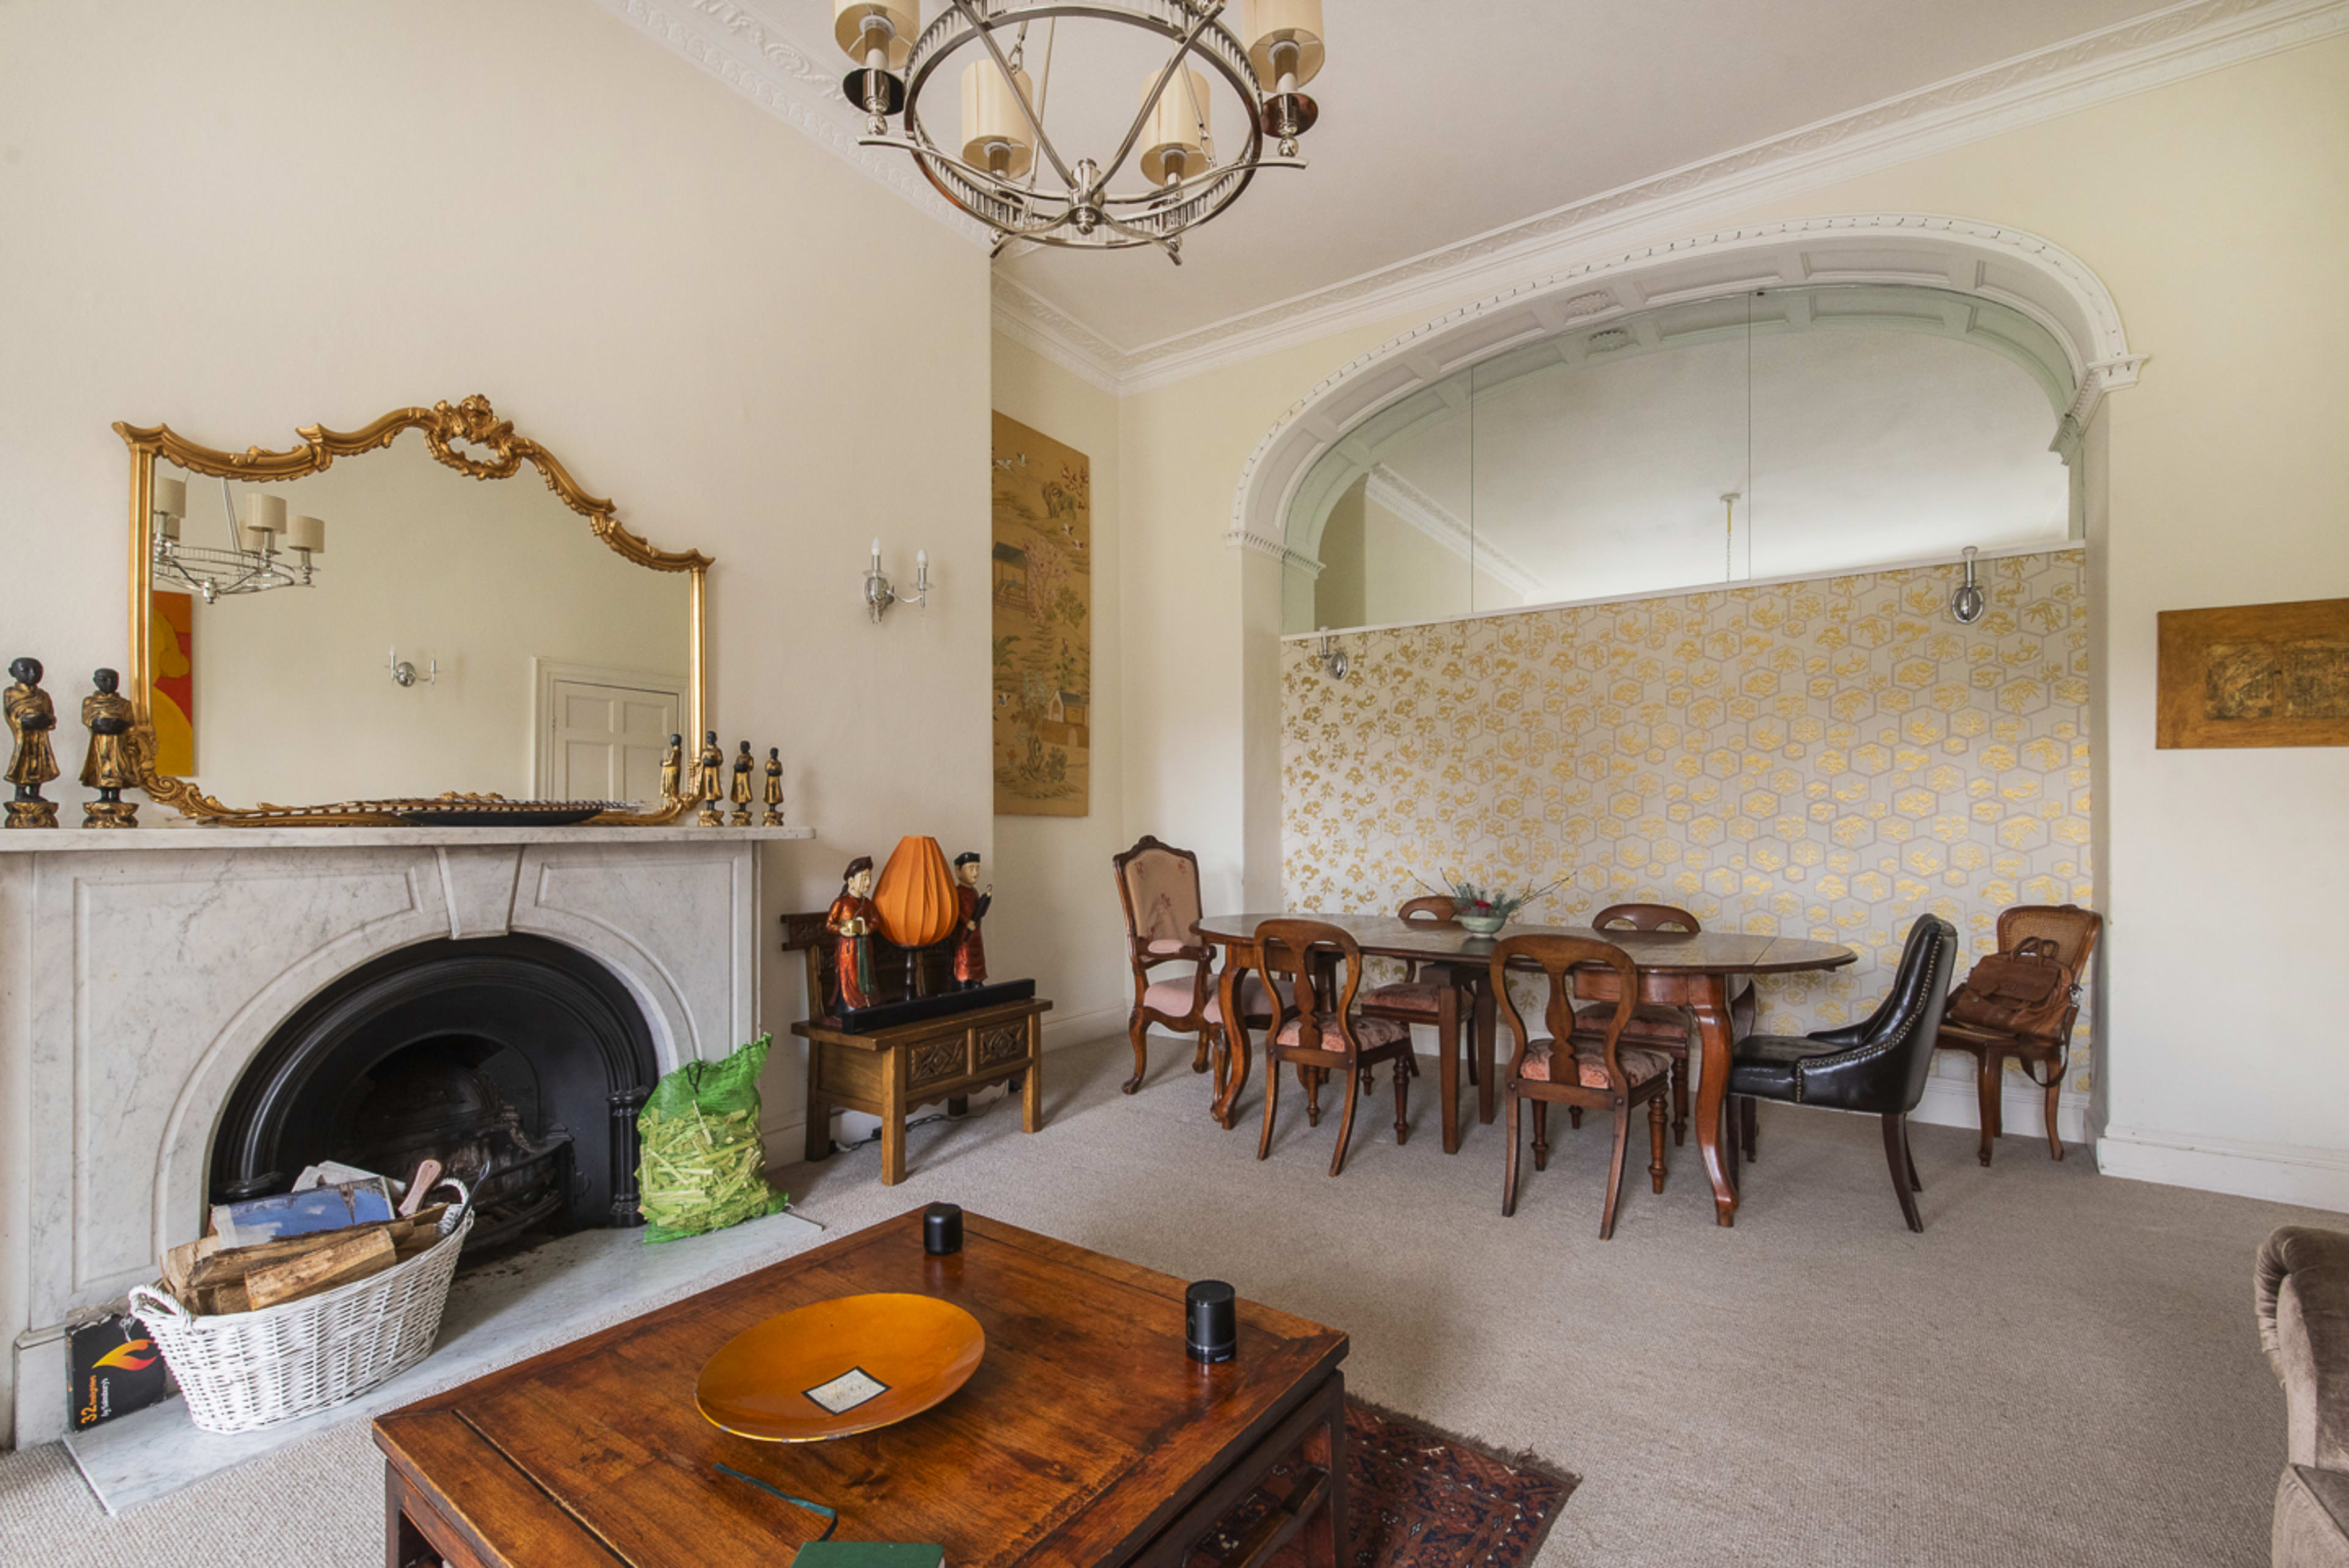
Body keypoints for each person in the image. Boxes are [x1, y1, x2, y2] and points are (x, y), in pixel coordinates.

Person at [826, 857, 881, 1012]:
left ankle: (867, 1001)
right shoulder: (841, 903)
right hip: (848, 949)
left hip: (864, 946)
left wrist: (868, 929)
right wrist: (842, 931)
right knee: (850, 976)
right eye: (863, 879)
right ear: (851, 881)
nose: (867, 883)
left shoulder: (868, 904)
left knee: (866, 976)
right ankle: (850, 1003)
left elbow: (876, 921)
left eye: (869, 878)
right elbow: (830, 924)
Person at [951, 852, 991, 989]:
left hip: (976, 934)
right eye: (971, 868)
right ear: (959, 871)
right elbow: (956, 911)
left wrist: (986, 901)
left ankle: (977, 980)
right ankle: (964, 980)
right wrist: (966, 922)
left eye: (977, 869)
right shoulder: (957, 892)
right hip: (964, 935)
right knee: (965, 958)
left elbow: (980, 912)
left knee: (977, 958)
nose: (975, 873)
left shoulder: (974, 892)